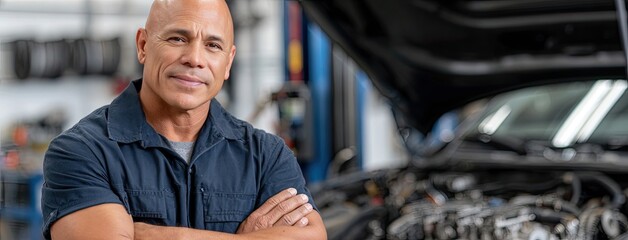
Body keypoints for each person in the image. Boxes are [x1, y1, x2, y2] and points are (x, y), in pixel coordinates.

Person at [40, 0, 326, 239]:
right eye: (178, 38)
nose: (195, 59)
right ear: (142, 45)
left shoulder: (267, 156)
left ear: (228, 62)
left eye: (213, 45)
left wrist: (173, 236)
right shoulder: (81, 152)